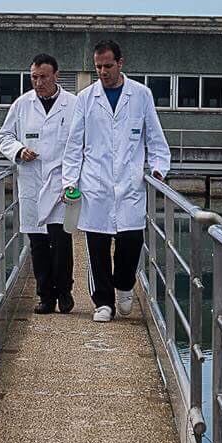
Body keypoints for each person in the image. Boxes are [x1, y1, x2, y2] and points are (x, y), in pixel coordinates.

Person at [60, 37, 170, 322]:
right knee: (96, 248)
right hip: (95, 185)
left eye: (108, 65)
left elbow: (155, 139)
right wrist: (69, 182)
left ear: (120, 63)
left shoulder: (141, 95)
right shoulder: (86, 98)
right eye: (98, 67)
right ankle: (103, 302)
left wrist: (158, 169)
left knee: (130, 244)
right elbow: (74, 145)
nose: (103, 72)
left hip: (129, 184)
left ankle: (124, 286)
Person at [0, 53, 78, 314]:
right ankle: (45, 296)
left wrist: (75, 180)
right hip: (32, 182)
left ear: (56, 75)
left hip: (61, 184)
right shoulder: (22, 105)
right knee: (38, 244)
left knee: (62, 242)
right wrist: (19, 151)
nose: (38, 82)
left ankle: (65, 292)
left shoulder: (73, 105)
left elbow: (82, 142)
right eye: (34, 77)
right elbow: (4, 136)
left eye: (43, 76)